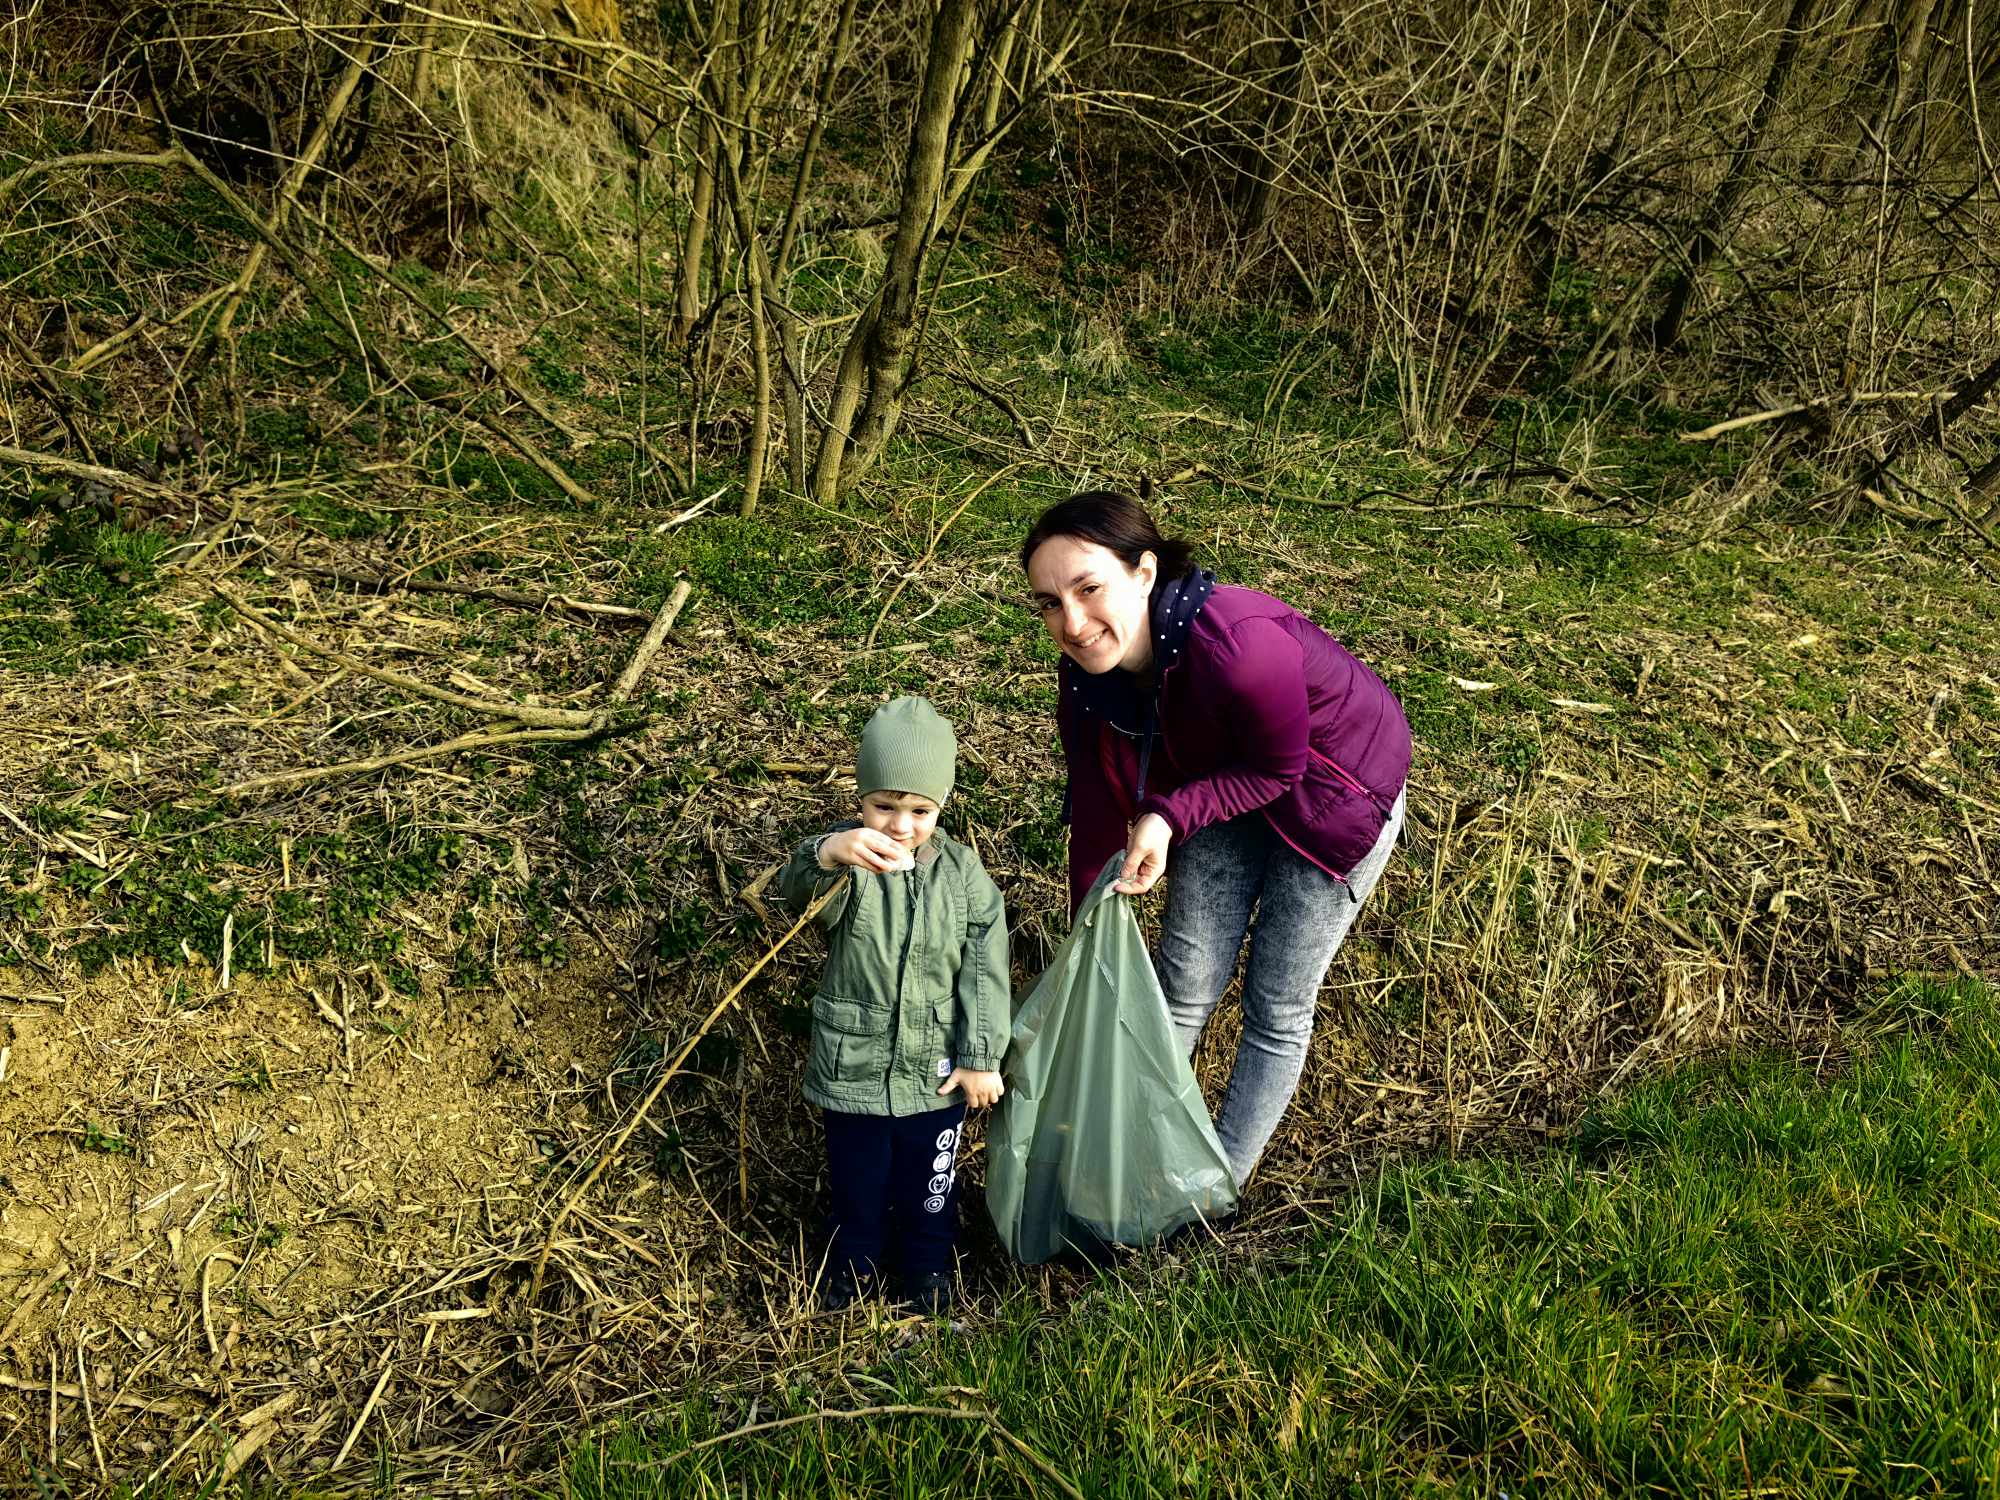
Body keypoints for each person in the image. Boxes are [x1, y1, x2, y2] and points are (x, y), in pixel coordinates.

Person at [1020, 491, 1411, 1189]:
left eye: (1088, 588)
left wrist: (1168, 818)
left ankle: (1214, 1185)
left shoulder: (1237, 645)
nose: (1072, 622)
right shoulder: (1087, 677)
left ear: (1144, 572)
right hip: (1218, 781)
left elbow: (1278, 766)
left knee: (1277, 1005)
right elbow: (1091, 795)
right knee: (1183, 987)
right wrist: (1090, 928)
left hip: (1332, 795)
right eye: (1050, 602)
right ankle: (1129, 1163)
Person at [777, 696, 1010, 1314]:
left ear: (941, 807)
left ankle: (929, 1273)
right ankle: (848, 1273)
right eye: (884, 806)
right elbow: (790, 893)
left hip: (935, 1074)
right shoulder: (848, 860)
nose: (900, 826)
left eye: (920, 810)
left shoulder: (962, 873)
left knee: (930, 1186)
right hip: (852, 1065)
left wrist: (981, 1056)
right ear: (861, 799)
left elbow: (985, 967)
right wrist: (827, 853)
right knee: (858, 1184)